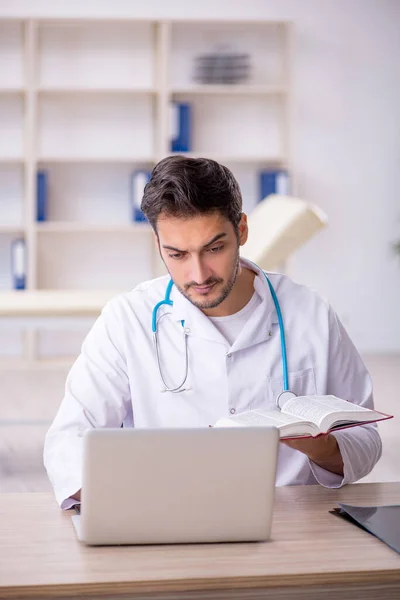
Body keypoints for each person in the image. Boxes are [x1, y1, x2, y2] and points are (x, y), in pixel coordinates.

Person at [44, 156, 382, 509]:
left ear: (242, 230)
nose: (199, 275)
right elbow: (66, 443)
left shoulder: (311, 314)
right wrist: (137, 499)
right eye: (177, 254)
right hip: (165, 517)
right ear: (157, 243)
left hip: (290, 525)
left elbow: (367, 441)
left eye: (215, 248)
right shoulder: (126, 320)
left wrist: (318, 445)